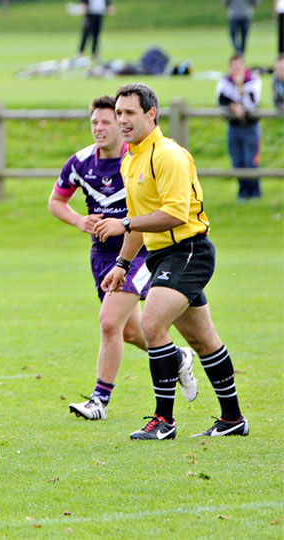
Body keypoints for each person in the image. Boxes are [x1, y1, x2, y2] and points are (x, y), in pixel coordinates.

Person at [94, 83, 248, 440]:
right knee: (203, 339)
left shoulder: (168, 155)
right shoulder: (131, 159)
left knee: (151, 325)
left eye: (130, 113)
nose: (122, 121)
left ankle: (164, 421)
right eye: (118, 114)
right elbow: (138, 217)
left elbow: (176, 214)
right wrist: (120, 264)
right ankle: (232, 419)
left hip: (189, 250)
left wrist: (126, 224)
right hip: (163, 254)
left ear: (151, 113)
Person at [49, 96, 197, 421]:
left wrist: (126, 236)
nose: (100, 128)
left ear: (122, 125)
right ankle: (177, 358)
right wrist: (79, 220)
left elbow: (156, 210)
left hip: (139, 250)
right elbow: (56, 201)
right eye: (95, 122)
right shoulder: (80, 162)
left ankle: (99, 400)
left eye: (108, 121)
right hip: (101, 254)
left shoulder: (138, 159)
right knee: (129, 332)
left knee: (109, 321)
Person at [217, 53, 262, 201]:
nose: (236, 69)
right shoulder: (224, 82)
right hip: (234, 127)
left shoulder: (253, 81)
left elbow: (251, 104)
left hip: (250, 127)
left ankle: (254, 192)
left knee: (251, 161)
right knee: (237, 161)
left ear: (244, 66)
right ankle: (243, 192)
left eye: (239, 66)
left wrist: (240, 87)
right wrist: (233, 106)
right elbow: (221, 100)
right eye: (233, 66)